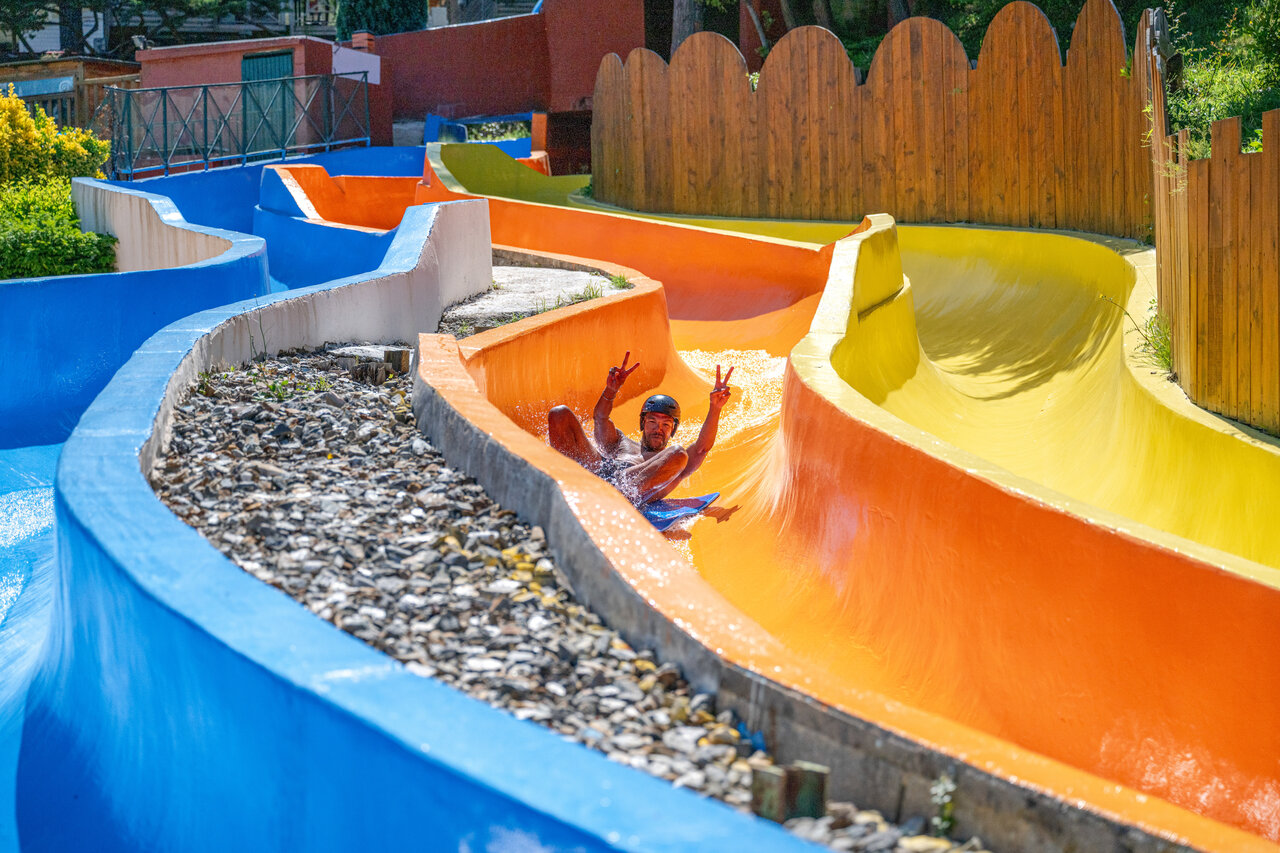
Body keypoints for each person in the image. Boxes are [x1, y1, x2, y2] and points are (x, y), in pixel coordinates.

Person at [548, 351, 734, 506]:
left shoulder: (670, 463)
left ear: (673, 430)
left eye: (666, 425)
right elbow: (600, 418)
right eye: (652, 422)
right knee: (559, 414)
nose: (658, 429)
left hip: (625, 492)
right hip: (596, 472)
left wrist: (715, 408)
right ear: (643, 424)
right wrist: (611, 390)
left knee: (679, 454)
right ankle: (564, 481)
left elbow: (702, 448)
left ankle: (616, 498)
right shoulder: (620, 443)